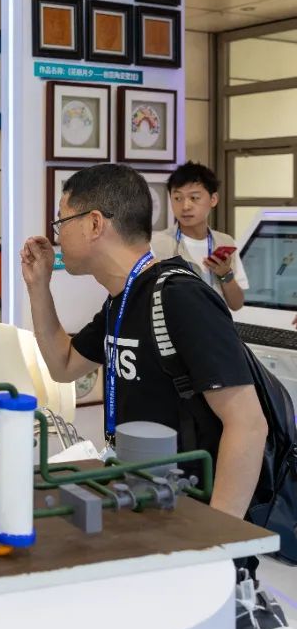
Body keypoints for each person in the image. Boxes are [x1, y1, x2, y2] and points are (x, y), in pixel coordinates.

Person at [20, 163, 267, 523]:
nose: (57, 235)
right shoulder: (120, 300)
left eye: (62, 221)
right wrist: (38, 287)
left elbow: (248, 424)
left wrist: (218, 532)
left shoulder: (181, 297)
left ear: (94, 224)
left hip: (192, 510)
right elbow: (64, 365)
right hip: (144, 497)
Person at [151, 161, 248, 312]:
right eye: (177, 198)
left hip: (218, 325)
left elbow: (236, 304)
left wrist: (225, 274)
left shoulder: (225, 242)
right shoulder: (156, 245)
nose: (185, 206)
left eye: (194, 198)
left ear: (213, 199)